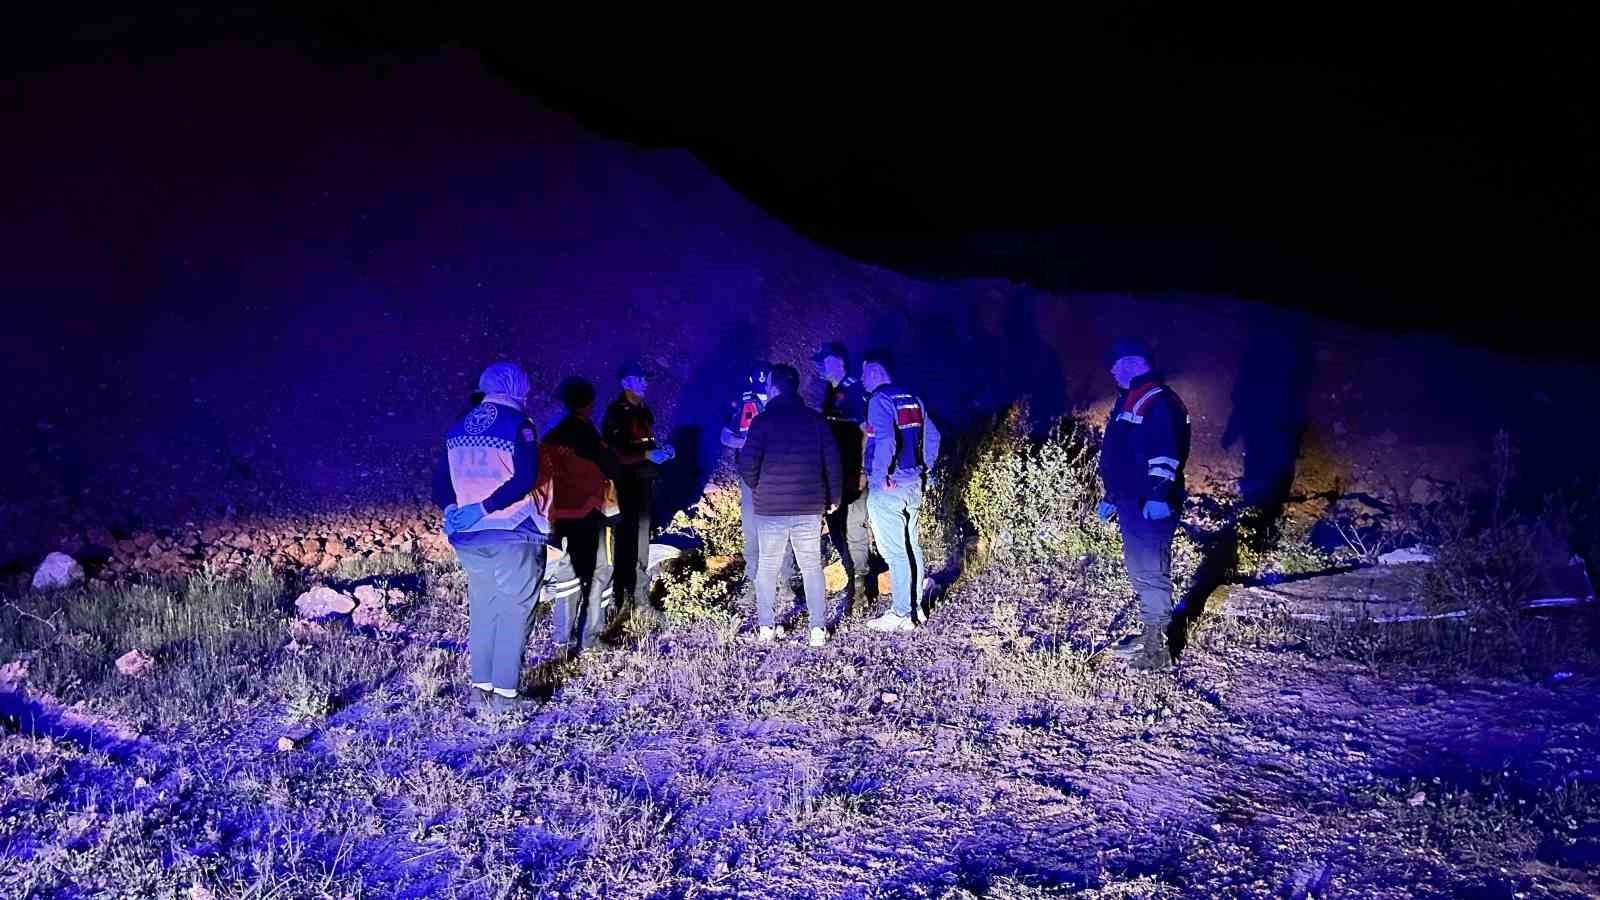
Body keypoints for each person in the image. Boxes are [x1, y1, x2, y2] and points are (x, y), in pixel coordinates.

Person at [432, 361, 550, 712]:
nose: (527, 394)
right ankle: (506, 697)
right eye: (525, 388)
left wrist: (452, 510)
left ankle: (480, 689)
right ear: (516, 387)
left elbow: (440, 481)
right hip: (512, 530)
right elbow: (525, 477)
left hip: (468, 537)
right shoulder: (519, 424)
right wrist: (485, 507)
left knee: (484, 609)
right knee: (515, 610)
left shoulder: (457, 427)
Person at [1095, 336, 1192, 671]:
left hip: (1150, 502)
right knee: (1140, 569)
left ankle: (1157, 649)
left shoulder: (1157, 401)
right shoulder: (1133, 399)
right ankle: (1151, 633)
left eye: (1116, 365)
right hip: (1132, 500)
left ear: (1135, 363)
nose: (1112, 372)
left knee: (1151, 570)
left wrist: (1157, 495)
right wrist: (1113, 496)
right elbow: (1123, 455)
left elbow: (1165, 452)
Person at [737, 363, 843, 647]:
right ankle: (817, 629)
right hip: (809, 507)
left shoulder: (762, 422)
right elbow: (832, 462)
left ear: (773, 388)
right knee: (811, 567)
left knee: (767, 567)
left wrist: (760, 487)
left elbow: (747, 465)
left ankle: (766, 627)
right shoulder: (816, 420)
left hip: (771, 509)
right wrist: (834, 497)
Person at [860, 349, 941, 633]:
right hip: (913, 483)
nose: (861, 379)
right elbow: (933, 437)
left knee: (895, 551)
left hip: (890, 487)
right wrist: (926, 471)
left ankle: (902, 613)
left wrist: (881, 475)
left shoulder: (879, 399)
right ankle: (916, 608)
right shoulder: (913, 397)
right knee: (911, 545)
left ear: (875, 371)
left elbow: (886, 441)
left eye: (864, 372)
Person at [539, 376, 621, 653]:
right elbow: (611, 468)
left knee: (568, 573)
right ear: (590, 404)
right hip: (594, 514)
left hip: (562, 516)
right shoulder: (589, 435)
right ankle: (591, 637)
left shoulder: (550, 436)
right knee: (602, 570)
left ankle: (561, 637)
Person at [719, 361, 796, 606]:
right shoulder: (743, 402)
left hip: (779, 476)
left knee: (781, 529)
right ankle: (753, 581)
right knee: (752, 530)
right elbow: (725, 435)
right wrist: (745, 443)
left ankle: (784, 582)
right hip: (751, 476)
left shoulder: (787, 404)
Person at [602, 362, 674, 615]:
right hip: (624, 486)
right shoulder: (616, 412)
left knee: (642, 541)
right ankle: (617, 600)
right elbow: (614, 453)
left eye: (645, 378)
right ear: (625, 383)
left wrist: (662, 450)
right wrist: (646, 455)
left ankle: (640, 598)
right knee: (624, 541)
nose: (645, 382)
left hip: (643, 483)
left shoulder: (643, 411)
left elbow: (643, 444)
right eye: (639, 378)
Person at [812, 341, 873, 607]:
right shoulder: (830, 391)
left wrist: (862, 470)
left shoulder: (853, 391)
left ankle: (860, 586)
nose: (820, 367)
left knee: (852, 527)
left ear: (837, 362)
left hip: (851, 473)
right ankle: (853, 579)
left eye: (824, 362)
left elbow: (867, 432)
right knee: (836, 525)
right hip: (834, 474)